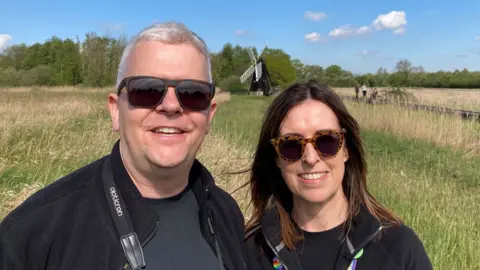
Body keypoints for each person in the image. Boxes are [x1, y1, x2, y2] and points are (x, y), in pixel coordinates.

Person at [0, 22, 248, 270]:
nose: (171, 106)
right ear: (115, 111)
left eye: (193, 93)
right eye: (147, 90)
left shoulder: (226, 213)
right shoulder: (34, 235)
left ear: (209, 116)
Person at [244, 80, 432, 269]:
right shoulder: (252, 252)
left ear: (346, 150)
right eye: (291, 145)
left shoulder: (398, 248)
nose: (310, 158)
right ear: (276, 158)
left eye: (326, 141)